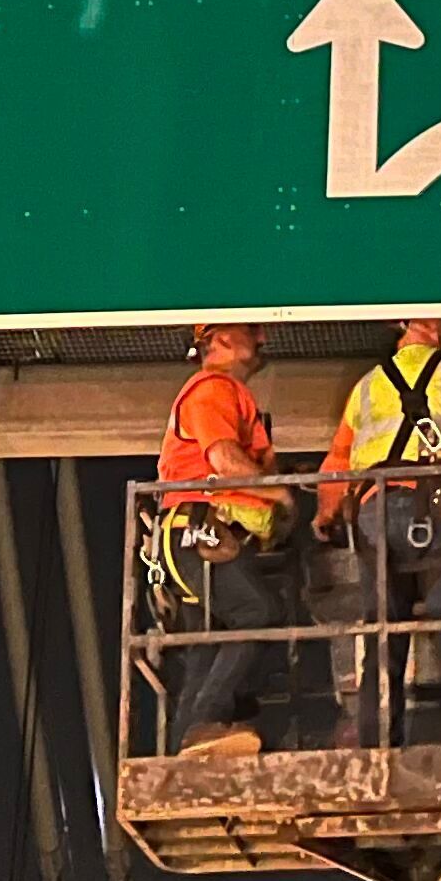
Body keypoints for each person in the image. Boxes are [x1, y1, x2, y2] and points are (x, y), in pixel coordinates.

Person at [317, 319, 441, 743]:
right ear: (435, 326)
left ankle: (376, 745)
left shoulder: (366, 385)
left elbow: (337, 461)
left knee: (382, 637)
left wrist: (326, 513)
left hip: (374, 508)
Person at [149, 322, 297, 756]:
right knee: (258, 611)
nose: (263, 338)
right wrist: (282, 493)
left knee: (205, 647)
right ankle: (202, 724)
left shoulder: (225, 394)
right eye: (252, 331)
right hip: (200, 530)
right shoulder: (213, 388)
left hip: (193, 535)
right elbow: (224, 459)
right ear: (222, 340)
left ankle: (187, 750)